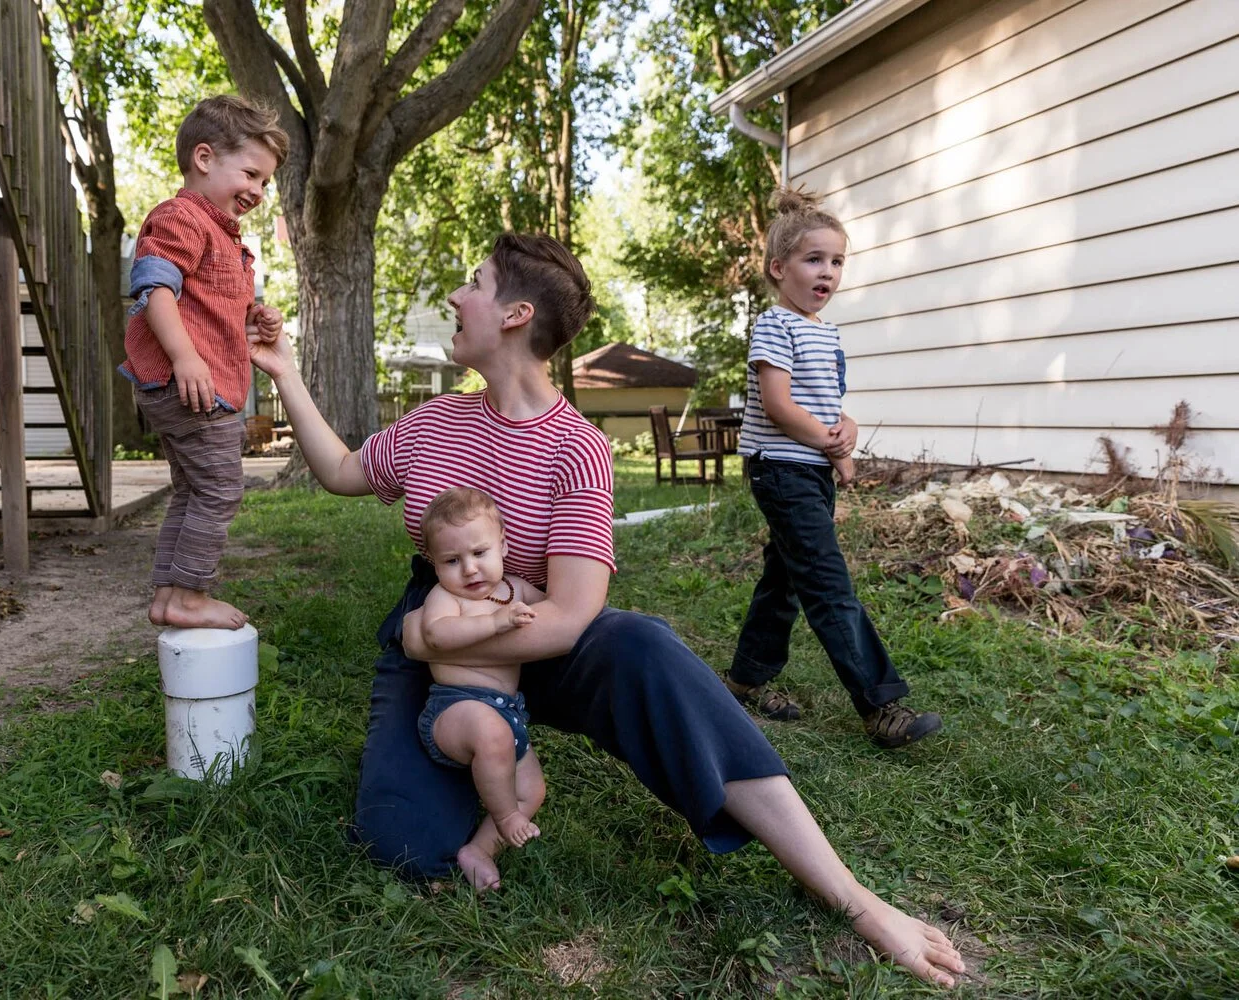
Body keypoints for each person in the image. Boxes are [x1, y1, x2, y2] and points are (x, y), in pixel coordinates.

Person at [246, 233, 965, 987]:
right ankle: (494, 748)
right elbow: (340, 469)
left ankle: (850, 895)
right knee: (404, 846)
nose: (456, 297)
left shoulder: (578, 448)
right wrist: (285, 371)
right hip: (447, 649)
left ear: (516, 315)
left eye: (474, 283)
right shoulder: (432, 424)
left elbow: (566, 619)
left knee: (644, 647)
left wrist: (433, 642)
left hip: (525, 631)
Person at [726, 189, 943, 749]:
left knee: (784, 580)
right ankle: (881, 706)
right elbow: (778, 405)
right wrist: (836, 449)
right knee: (828, 584)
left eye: (837, 261)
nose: (828, 272)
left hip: (809, 471)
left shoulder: (824, 330)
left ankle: (747, 677)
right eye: (813, 259)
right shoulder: (775, 325)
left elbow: (822, 402)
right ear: (779, 268)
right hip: (781, 470)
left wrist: (846, 425)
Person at [120, 95, 288, 631]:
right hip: (193, 386)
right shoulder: (182, 219)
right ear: (204, 157)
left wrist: (255, 319)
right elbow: (154, 289)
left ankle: (168, 595)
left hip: (188, 381)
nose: (258, 191)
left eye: (266, 182)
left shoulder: (220, 234)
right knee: (220, 490)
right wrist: (185, 356)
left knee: (193, 490)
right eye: (251, 174)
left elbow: (211, 311)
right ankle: (190, 597)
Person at [416, 487, 547, 881]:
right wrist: (494, 622)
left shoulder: (516, 590)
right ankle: (505, 816)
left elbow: (555, 609)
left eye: (479, 553)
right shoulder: (445, 597)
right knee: (491, 734)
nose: (469, 569)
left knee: (532, 790)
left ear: (503, 545)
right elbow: (437, 634)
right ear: (434, 564)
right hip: (456, 708)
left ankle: (480, 849)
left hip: (509, 712)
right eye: (452, 560)